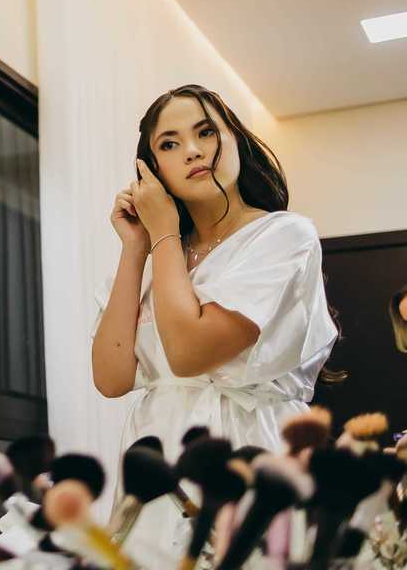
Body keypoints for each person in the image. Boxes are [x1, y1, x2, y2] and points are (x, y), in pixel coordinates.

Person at [89, 84, 338, 553]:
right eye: (169, 144)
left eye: (206, 132)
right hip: (158, 461)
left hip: (253, 454)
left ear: (236, 140)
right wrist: (136, 248)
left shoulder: (284, 235)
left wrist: (163, 231)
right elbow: (111, 377)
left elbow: (190, 353)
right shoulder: (155, 253)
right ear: (151, 170)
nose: (192, 150)